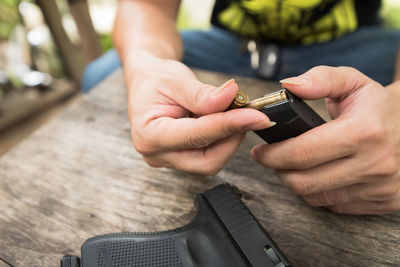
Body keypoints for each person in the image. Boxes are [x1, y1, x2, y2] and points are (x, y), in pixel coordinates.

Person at [85, 0, 400, 215]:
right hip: (229, 42)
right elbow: (147, 7)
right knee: (102, 74)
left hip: (359, 45)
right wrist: (146, 65)